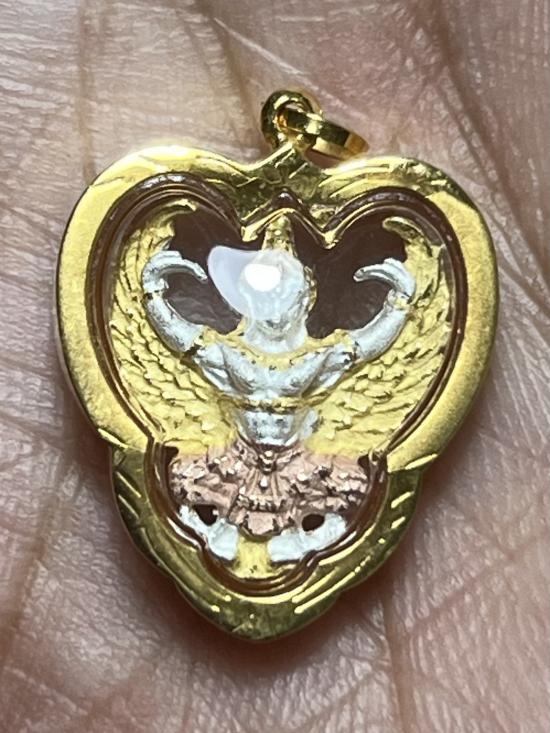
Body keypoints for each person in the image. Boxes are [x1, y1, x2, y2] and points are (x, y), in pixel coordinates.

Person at [0, 1, 548, 731]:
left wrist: (399, 295)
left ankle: (300, 541)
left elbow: (372, 344)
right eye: (266, 296)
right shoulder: (230, 356)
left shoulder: (317, 360)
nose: (276, 306)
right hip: (232, 459)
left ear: (306, 301)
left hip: (300, 459)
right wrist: (157, 286)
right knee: (198, 493)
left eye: (289, 296)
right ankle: (222, 538)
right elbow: (175, 338)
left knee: (338, 495)